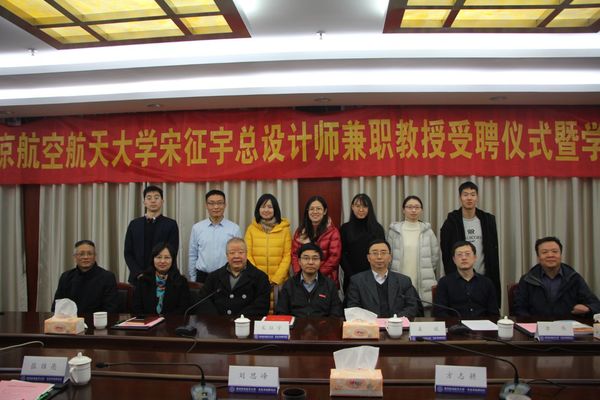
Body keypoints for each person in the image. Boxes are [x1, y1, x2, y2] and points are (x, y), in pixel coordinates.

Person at [440, 181, 500, 305]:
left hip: (483, 277)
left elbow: (493, 251)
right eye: (465, 194)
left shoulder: (488, 220)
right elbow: (446, 252)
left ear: (477, 197)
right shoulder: (451, 221)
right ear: (460, 197)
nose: (469, 198)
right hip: (458, 279)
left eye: (473, 194)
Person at [514, 236, 600, 318]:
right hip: (536, 326)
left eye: (555, 251)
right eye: (544, 252)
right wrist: (532, 323)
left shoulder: (574, 278)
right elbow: (519, 308)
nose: (550, 255)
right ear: (538, 257)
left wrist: (588, 308)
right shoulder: (528, 279)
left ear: (560, 255)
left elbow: (596, 305)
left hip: (568, 325)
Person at [346, 239, 421, 318]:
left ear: (390, 257)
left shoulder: (403, 281)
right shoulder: (357, 281)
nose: (379, 257)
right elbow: (353, 308)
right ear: (368, 258)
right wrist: (373, 322)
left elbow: (412, 307)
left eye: (383, 253)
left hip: (397, 324)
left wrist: (394, 320)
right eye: (375, 253)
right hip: (370, 324)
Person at [196, 237, 270, 318]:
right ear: (227, 255)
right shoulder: (214, 277)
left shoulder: (260, 277)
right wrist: (217, 320)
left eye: (241, 252)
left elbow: (262, 305)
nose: (236, 256)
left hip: (246, 323)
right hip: (218, 323)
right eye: (232, 253)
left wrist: (239, 319)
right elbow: (203, 300)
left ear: (246, 254)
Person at [388, 195, 439, 307]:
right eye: (409, 207)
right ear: (403, 210)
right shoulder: (394, 231)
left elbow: (434, 258)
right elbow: (388, 258)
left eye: (417, 207)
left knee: (424, 313)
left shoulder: (428, 231)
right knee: (400, 310)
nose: (413, 210)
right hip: (399, 278)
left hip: (423, 280)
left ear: (421, 210)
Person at [245, 194, 292, 312]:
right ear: (258, 209)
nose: (266, 210)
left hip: (279, 282)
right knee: (259, 312)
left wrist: (276, 278)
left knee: (279, 313)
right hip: (256, 281)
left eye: (270, 207)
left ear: (275, 209)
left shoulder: (284, 229)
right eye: (263, 206)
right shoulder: (251, 229)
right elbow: (247, 254)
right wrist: (258, 276)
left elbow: (287, 255)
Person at [124, 185, 179, 284]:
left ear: (162, 201)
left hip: (163, 278)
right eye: (149, 198)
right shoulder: (134, 224)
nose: (153, 201)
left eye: (156, 198)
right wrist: (138, 273)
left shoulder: (171, 224)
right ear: (144, 202)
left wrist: (159, 273)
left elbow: (172, 251)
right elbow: (128, 252)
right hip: (138, 278)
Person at [433, 241, 499, 318]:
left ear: (475, 258)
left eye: (467, 254)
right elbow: (440, 312)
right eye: (459, 255)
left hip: (482, 324)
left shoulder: (487, 283)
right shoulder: (444, 282)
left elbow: (494, 313)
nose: (464, 258)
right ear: (454, 260)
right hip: (455, 324)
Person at [276, 243, 343, 317]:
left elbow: (336, 313)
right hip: (296, 324)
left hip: (323, 324)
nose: (310, 262)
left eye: (315, 258)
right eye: (306, 258)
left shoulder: (329, 285)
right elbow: (281, 313)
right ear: (299, 261)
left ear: (320, 261)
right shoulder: (289, 285)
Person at [188, 189, 241, 283]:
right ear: (206, 205)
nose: (216, 207)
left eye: (219, 203)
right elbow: (192, 255)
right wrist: (193, 278)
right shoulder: (197, 228)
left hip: (226, 276)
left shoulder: (234, 228)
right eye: (211, 203)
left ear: (225, 205)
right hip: (203, 277)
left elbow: (239, 255)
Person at [53, 240, 118, 314]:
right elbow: (57, 306)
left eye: (89, 254)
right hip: (71, 320)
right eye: (81, 254)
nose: (85, 257)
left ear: (95, 256)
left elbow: (111, 309)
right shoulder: (66, 277)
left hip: (97, 320)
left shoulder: (107, 277)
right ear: (75, 257)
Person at [340, 193, 385, 295]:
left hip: (374, 277)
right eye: (357, 206)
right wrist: (351, 275)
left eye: (365, 206)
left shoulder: (377, 229)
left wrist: (371, 274)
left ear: (369, 208)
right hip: (351, 277)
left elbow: (381, 253)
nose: (361, 209)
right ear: (352, 207)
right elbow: (341, 254)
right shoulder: (345, 228)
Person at [291, 196, 341, 287]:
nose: (315, 212)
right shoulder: (300, 231)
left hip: (326, 281)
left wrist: (315, 275)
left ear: (325, 211)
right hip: (303, 281)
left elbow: (334, 258)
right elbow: (294, 255)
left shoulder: (333, 232)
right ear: (307, 211)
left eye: (318, 209)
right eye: (312, 209)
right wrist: (300, 274)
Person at [132, 242, 191, 315]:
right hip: (147, 321)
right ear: (153, 259)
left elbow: (183, 308)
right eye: (159, 257)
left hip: (172, 321)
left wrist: (164, 319)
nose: (162, 261)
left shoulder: (181, 281)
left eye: (167, 257)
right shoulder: (143, 280)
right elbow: (136, 307)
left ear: (173, 260)